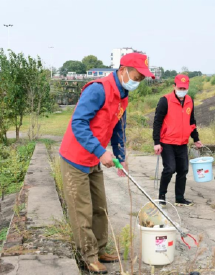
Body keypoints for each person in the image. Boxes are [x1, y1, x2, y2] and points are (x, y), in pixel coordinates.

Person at [59, 53, 155, 273]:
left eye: (142, 79)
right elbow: (79, 123)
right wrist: (100, 151)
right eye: (136, 76)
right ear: (123, 70)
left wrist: (121, 157)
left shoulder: (123, 95)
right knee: (82, 209)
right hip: (75, 159)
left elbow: (118, 129)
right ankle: (89, 256)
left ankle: (101, 249)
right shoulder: (98, 89)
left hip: (93, 159)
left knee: (100, 207)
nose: (138, 81)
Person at [153, 74, 203, 207]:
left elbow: (191, 121)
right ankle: (161, 196)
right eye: (180, 87)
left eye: (184, 88)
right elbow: (157, 122)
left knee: (183, 170)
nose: (182, 90)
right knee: (169, 168)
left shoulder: (189, 101)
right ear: (174, 86)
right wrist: (156, 142)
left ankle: (179, 198)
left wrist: (196, 139)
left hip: (182, 142)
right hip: (167, 141)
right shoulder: (165, 100)